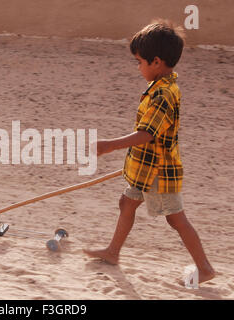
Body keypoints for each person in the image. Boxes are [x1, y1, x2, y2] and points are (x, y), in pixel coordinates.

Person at [84, 20, 215, 284]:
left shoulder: (163, 94)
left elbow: (148, 134)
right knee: (127, 203)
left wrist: (109, 145)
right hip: (144, 167)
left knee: (176, 220)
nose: (138, 67)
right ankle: (112, 252)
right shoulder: (159, 87)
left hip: (158, 171)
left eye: (140, 61)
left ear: (156, 62)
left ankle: (205, 268)